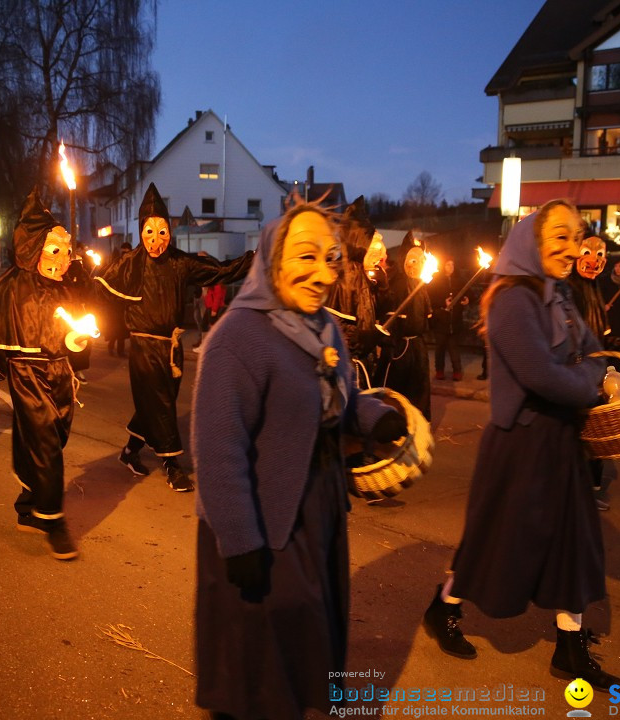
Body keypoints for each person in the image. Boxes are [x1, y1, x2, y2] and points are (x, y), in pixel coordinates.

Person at [192, 199, 407, 720]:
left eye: (331, 259)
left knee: (308, 631)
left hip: (318, 509)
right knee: (261, 655)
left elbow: (335, 402)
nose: (322, 273)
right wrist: (241, 540)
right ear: (272, 260)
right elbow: (219, 449)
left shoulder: (325, 328)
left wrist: (372, 416)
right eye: (305, 257)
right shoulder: (238, 337)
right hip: (262, 523)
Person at [421, 199, 620, 692]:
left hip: (563, 440)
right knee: (495, 542)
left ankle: (570, 648)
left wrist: (600, 370)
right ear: (532, 240)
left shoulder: (561, 294)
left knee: (573, 543)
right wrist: (597, 384)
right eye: (560, 236)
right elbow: (541, 376)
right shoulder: (510, 297)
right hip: (522, 441)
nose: (571, 248)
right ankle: (443, 607)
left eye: (575, 237)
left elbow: (594, 351)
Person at [95, 183, 253, 492]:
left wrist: (256, 259)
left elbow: (221, 271)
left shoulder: (181, 263)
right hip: (143, 348)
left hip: (172, 347)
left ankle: (130, 452)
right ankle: (171, 465)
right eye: (149, 232)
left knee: (153, 405)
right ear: (141, 231)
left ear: (170, 232)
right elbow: (98, 290)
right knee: (162, 403)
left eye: (162, 232)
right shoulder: (129, 265)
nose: (156, 240)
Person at [0, 189, 92, 561]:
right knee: (46, 447)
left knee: (51, 440)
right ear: (34, 250)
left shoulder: (69, 287)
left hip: (60, 373)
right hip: (27, 373)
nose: (62, 259)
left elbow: (77, 333)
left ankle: (27, 505)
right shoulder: (10, 288)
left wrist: (77, 346)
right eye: (53, 251)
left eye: (66, 252)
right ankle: (53, 521)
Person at [567, 234, 618, 511]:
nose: (592, 260)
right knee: (579, 431)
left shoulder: (596, 288)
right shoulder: (568, 289)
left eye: (599, 256)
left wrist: (618, 346)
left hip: (595, 369)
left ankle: (589, 490)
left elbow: (602, 329)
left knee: (596, 430)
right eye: (587, 252)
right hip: (577, 370)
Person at [376, 232, 432, 420]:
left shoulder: (420, 284)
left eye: (419, 260)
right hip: (400, 348)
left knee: (419, 390)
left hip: (418, 347)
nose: (415, 265)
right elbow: (390, 316)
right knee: (398, 392)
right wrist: (389, 347)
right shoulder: (398, 285)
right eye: (411, 260)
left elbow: (426, 314)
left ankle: (418, 425)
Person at [325, 195, 380, 388]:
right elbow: (333, 325)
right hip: (348, 368)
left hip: (355, 364)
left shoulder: (358, 274)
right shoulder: (349, 275)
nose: (378, 254)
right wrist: (367, 337)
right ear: (360, 243)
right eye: (372, 247)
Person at [429, 258, 469, 381]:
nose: (451, 266)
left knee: (454, 348)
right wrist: (443, 303)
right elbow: (430, 299)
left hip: (454, 321)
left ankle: (457, 371)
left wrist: (467, 299)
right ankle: (439, 371)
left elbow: (469, 293)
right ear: (443, 266)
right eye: (448, 264)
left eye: (452, 264)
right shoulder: (435, 281)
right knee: (440, 348)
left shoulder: (459, 280)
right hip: (441, 320)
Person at [101, 243, 131, 357]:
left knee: (121, 329)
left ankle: (118, 349)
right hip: (115, 303)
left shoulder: (129, 264)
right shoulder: (116, 264)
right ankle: (115, 348)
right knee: (117, 328)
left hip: (123, 302)